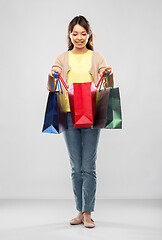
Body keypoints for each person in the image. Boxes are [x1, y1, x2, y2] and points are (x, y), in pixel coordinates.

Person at [47, 15, 114, 228]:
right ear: (70, 35)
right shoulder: (62, 58)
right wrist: (51, 75)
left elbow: (106, 86)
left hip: (92, 114)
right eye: (75, 33)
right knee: (76, 166)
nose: (79, 37)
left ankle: (88, 213)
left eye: (83, 34)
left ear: (89, 35)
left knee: (89, 165)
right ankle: (79, 210)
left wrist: (109, 74)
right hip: (68, 113)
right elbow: (51, 87)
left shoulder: (97, 57)